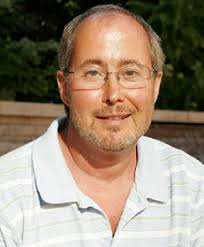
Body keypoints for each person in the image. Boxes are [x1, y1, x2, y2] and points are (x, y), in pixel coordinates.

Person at [0, 4, 203, 247]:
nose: (113, 94)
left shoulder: (193, 187)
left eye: (130, 73)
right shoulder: (6, 193)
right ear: (64, 87)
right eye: (93, 73)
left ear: (156, 84)